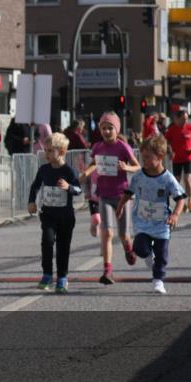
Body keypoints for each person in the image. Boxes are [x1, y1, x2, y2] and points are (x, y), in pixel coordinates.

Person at [116, 135, 187, 294]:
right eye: (142, 157)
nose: (143, 160)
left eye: (147, 157)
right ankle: (148, 256)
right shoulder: (139, 176)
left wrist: (175, 215)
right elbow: (129, 192)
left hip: (162, 224)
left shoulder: (168, 179)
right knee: (140, 248)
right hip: (142, 222)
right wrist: (120, 206)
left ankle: (158, 280)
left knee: (162, 255)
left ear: (160, 157)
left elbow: (180, 198)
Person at [80, 112, 140, 284]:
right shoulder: (97, 147)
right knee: (106, 233)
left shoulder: (122, 147)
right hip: (104, 194)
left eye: (110, 128)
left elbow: (138, 166)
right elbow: (93, 164)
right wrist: (86, 173)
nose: (106, 131)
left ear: (116, 129)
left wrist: (126, 168)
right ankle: (108, 270)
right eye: (103, 128)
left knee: (123, 234)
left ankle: (128, 248)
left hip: (122, 196)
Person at [27, 133, 82, 293]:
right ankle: (47, 274)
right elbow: (35, 186)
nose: (47, 154)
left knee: (63, 247)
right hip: (48, 215)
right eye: (46, 150)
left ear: (62, 151)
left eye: (51, 151)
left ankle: (62, 277)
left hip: (65, 217)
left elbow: (79, 190)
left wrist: (69, 187)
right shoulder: (44, 170)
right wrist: (31, 202)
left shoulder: (69, 171)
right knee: (47, 242)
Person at [165, 110, 191, 213]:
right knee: (177, 180)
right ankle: (182, 201)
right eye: (183, 119)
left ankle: (190, 201)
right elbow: (166, 142)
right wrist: (170, 151)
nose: (185, 121)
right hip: (177, 158)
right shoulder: (171, 129)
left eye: (186, 119)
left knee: (187, 179)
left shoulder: (190, 128)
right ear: (177, 119)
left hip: (188, 157)